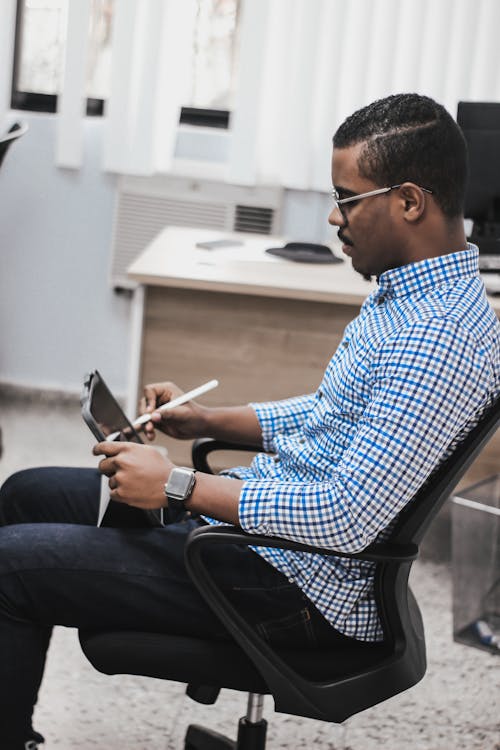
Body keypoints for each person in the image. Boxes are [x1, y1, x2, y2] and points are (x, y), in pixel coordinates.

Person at [1, 92, 500, 749]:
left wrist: (177, 486)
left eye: (347, 198)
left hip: (293, 587)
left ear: (409, 201)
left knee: (9, 568)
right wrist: (208, 419)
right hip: (267, 545)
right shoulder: (410, 297)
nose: (333, 216)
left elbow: (348, 517)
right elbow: (329, 414)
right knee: (24, 492)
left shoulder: (436, 337)